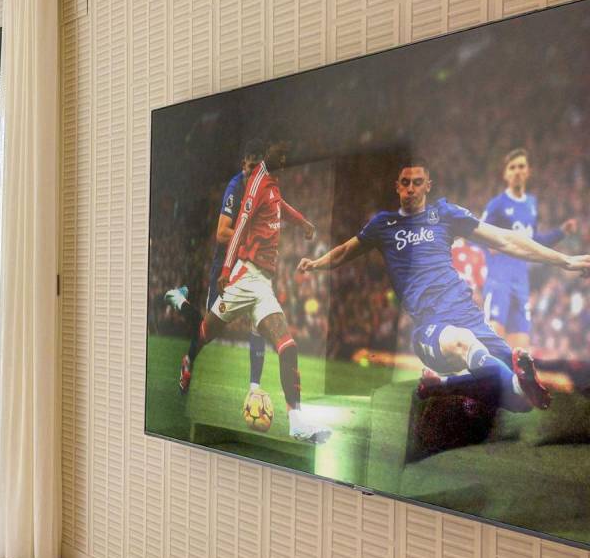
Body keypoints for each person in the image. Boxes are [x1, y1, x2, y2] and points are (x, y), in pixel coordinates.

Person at [297, 159, 590, 412]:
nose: (411, 188)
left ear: (428, 186)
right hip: (432, 328)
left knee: (521, 403)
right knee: (467, 344)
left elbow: (505, 239)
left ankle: (444, 385)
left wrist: (564, 260)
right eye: (405, 182)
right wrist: (316, 263)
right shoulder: (383, 225)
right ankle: (511, 382)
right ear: (397, 187)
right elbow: (345, 251)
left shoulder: (445, 215)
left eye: (417, 182)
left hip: (470, 318)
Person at [179, 139, 331, 444]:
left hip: (263, 284)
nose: (285, 158)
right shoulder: (257, 182)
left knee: (287, 347)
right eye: (281, 153)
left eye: (287, 153)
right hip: (244, 277)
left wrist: (303, 223)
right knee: (206, 332)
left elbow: (280, 205)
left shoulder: (271, 183)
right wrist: (226, 270)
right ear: (267, 154)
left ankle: (297, 423)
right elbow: (240, 227)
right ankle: (188, 360)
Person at [165, 141, 269, 396]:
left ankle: (254, 389)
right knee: (209, 329)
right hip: (226, 266)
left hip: (249, 266)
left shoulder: (264, 189)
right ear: (243, 165)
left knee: (260, 317)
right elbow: (222, 233)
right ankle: (178, 303)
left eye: (258, 168)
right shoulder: (235, 187)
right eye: (251, 167)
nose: (254, 172)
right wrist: (250, 238)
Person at [478, 147, 580, 348]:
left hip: (521, 283)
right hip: (499, 280)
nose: (517, 171)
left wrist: (561, 232)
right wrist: (488, 245)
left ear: (528, 171)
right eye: (512, 167)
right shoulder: (497, 205)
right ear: (505, 174)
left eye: (521, 166)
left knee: (521, 351)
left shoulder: (531, 204)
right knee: (493, 344)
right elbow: (476, 233)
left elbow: (533, 242)